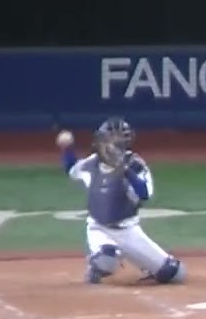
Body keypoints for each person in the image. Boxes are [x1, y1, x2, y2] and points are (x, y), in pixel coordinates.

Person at [57, 117, 186, 285]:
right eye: (109, 139)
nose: (111, 144)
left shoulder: (135, 164)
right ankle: (96, 267)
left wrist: (125, 170)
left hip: (129, 231)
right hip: (99, 228)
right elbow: (72, 169)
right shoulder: (92, 163)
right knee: (106, 259)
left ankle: (147, 262)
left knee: (174, 273)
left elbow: (144, 193)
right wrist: (67, 148)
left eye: (117, 139)